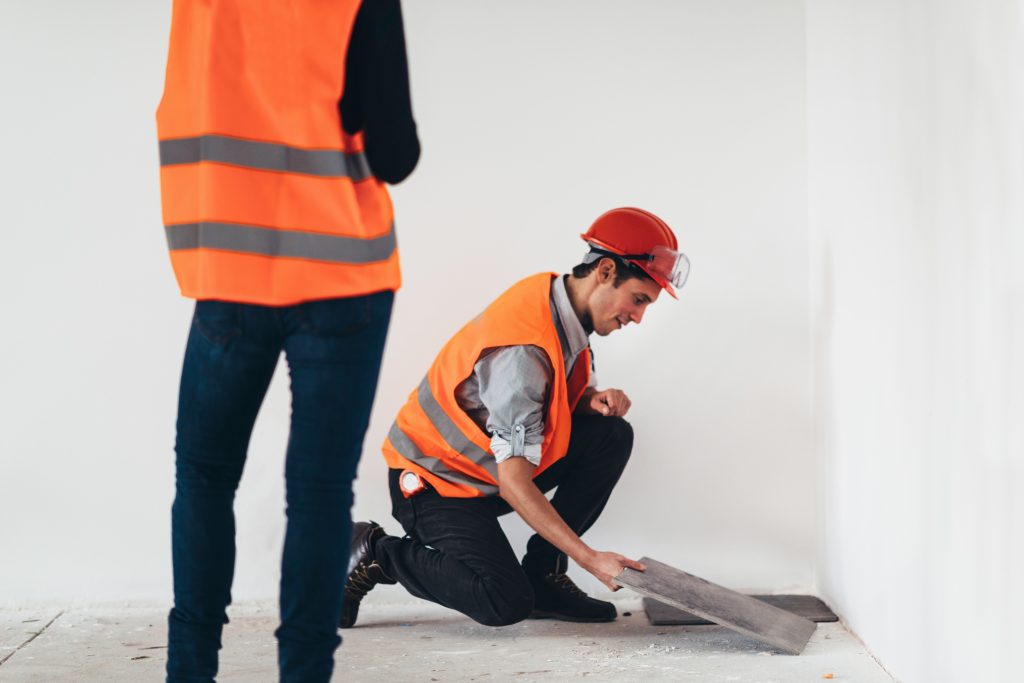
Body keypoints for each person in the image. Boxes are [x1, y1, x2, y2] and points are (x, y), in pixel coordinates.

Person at [156, 1, 419, 681]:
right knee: (319, 492)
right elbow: (394, 154)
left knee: (204, 478)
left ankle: (188, 670)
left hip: (229, 271)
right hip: (343, 270)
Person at [341, 207, 690, 628]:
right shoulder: (523, 350)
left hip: (484, 472)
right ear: (605, 270)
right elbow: (514, 480)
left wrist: (589, 400)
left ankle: (544, 576)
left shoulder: (558, 301)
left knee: (610, 435)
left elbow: (539, 399)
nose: (637, 317)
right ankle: (374, 550)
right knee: (503, 601)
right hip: (434, 483)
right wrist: (590, 559)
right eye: (638, 300)